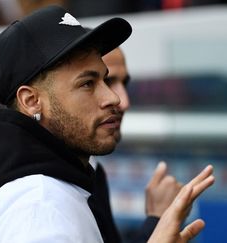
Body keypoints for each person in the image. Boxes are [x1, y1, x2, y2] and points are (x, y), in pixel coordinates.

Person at [0, 5, 214, 243]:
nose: (114, 98)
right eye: (87, 84)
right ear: (31, 101)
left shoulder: (51, 187)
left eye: (105, 79)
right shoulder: (38, 208)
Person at [89, 46, 183, 243]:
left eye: (124, 83)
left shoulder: (90, 169)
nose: (123, 101)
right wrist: (157, 221)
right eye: (107, 82)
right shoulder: (41, 197)